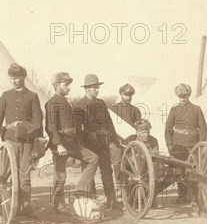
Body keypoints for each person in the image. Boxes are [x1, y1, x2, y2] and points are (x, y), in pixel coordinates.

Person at [0, 63, 43, 216]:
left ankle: (25, 208)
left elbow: (38, 121)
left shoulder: (33, 96)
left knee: (24, 175)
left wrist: (36, 138)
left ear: (23, 78)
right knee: (6, 174)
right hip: (9, 141)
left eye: (17, 78)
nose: (14, 81)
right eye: (11, 78)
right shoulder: (6, 96)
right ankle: (7, 206)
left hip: (26, 142)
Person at [44, 72, 100, 213]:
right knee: (61, 175)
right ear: (57, 86)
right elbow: (50, 127)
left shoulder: (65, 101)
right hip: (61, 143)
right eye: (65, 84)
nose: (68, 87)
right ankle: (58, 205)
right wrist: (58, 144)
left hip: (72, 142)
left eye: (69, 84)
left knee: (93, 159)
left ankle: (80, 190)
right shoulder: (52, 103)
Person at [73, 74, 121, 210]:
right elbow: (77, 129)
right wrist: (81, 144)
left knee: (107, 171)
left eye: (98, 87)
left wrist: (114, 137)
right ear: (87, 89)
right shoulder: (79, 105)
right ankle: (90, 199)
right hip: (88, 143)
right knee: (89, 171)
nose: (97, 90)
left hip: (103, 142)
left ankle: (111, 200)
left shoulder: (101, 103)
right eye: (94, 88)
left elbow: (109, 123)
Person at [164, 83, 207, 204]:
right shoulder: (174, 110)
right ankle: (182, 196)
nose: (183, 98)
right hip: (178, 145)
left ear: (189, 95)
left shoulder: (196, 109)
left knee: (194, 171)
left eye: (185, 96)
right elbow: (168, 129)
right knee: (179, 170)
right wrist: (169, 145)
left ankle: (194, 197)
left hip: (193, 145)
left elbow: (203, 128)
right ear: (177, 96)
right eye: (180, 96)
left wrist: (202, 144)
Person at [109, 83, 142, 183]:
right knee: (117, 165)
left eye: (130, 96)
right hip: (116, 142)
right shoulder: (113, 109)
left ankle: (131, 189)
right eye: (126, 95)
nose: (129, 97)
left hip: (131, 142)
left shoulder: (135, 110)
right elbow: (109, 127)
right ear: (121, 94)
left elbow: (139, 128)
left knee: (133, 164)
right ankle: (119, 190)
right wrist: (115, 138)